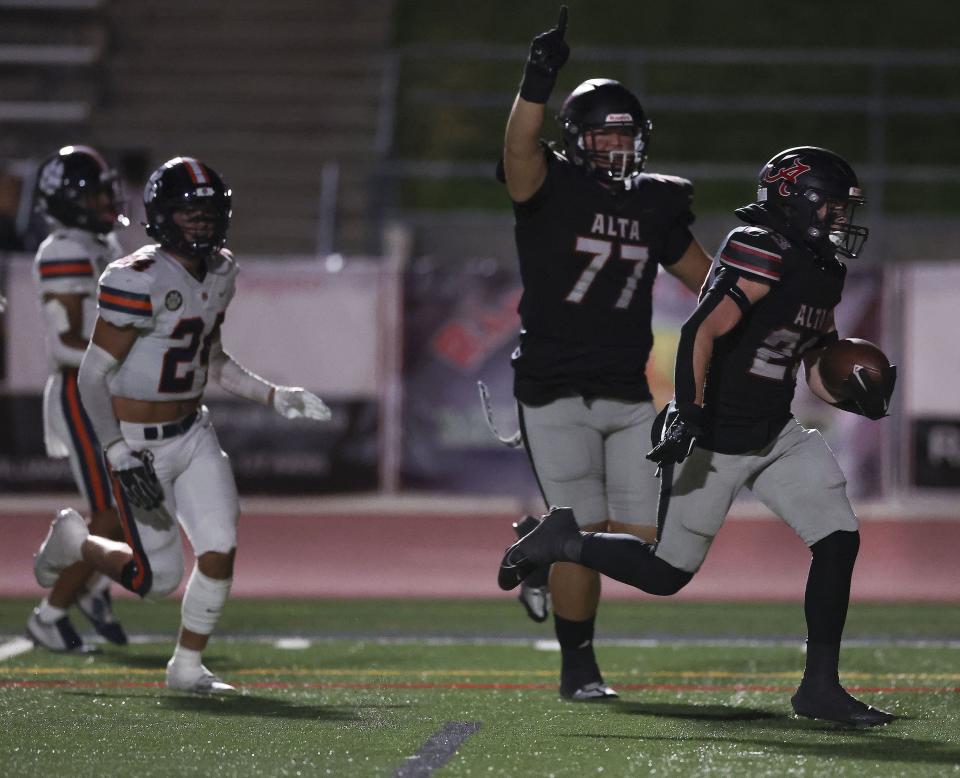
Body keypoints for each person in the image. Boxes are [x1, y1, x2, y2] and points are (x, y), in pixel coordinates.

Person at [499, 146, 898, 726]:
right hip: (714, 435)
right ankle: (560, 540)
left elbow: (810, 353)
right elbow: (699, 333)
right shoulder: (758, 248)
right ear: (797, 201)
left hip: (775, 433)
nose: (842, 219)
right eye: (833, 206)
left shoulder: (824, 267)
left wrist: (850, 389)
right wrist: (688, 412)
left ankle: (819, 687)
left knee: (837, 539)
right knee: (666, 574)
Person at [32, 156, 332, 693]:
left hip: (194, 433)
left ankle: (187, 668)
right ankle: (77, 541)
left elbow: (212, 361)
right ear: (162, 216)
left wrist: (273, 395)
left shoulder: (221, 271)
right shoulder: (135, 278)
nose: (201, 223)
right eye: (188, 214)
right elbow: (92, 378)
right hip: (140, 446)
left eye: (209, 213)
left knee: (220, 547)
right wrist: (116, 451)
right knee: (157, 581)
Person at [500, 7, 711, 700]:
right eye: (606, 135)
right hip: (553, 389)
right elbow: (519, 154)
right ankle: (578, 667)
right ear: (578, 140)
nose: (619, 148)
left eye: (628, 135)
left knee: (644, 543)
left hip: (625, 391)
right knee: (580, 531)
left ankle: (541, 551)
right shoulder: (548, 185)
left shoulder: (655, 203)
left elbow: (709, 286)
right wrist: (537, 81)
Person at [27, 145, 129, 652]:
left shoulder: (101, 240)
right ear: (67, 202)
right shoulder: (65, 248)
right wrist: (125, 356)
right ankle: (49, 615)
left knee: (135, 504)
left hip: (109, 389)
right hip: (80, 389)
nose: (106, 200)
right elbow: (64, 345)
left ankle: (92, 584)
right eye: (94, 193)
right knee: (110, 510)